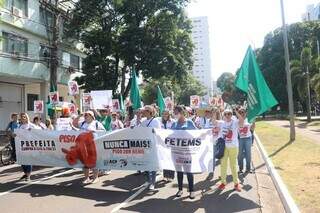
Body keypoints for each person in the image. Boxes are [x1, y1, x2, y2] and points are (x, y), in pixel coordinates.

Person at [171, 105, 197, 199]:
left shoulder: (189, 122)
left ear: (181, 113)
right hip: (176, 152)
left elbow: (196, 134)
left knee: (189, 172)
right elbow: (169, 135)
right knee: (179, 171)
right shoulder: (174, 124)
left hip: (187, 151)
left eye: (176, 112)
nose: (175, 114)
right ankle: (180, 189)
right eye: (174, 112)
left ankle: (191, 190)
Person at [218, 108, 244, 192]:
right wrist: (215, 112)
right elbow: (214, 121)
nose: (227, 115)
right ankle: (223, 183)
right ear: (223, 115)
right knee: (223, 165)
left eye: (229, 114)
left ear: (231, 114)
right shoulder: (222, 123)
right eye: (225, 114)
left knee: (233, 165)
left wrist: (236, 111)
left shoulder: (235, 122)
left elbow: (242, 121)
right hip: (224, 147)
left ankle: (236, 183)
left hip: (233, 147)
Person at [78, 111, 106, 184]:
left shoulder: (96, 123)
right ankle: (86, 178)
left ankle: (95, 177)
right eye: (85, 115)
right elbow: (76, 126)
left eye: (87, 115)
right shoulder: (83, 123)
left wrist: (94, 131)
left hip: (93, 144)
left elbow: (104, 131)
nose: (85, 116)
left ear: (91, 116)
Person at [140, 105, 161, 190]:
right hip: (146, 146)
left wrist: (152, 131)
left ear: (149, 112)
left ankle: (153, 182)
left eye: (144, 111)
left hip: (153, 145)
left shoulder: (155, 121)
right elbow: (139, 130)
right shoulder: (144, 121)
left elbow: (159, 132)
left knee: (153, 165)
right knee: (147, 164)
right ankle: (149, 180)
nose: (143, 112)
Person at [16, 112, 41, 181]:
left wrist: (32, 131)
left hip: (29, 145)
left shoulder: (31, 125)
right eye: (22, 117)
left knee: (28, 160)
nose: (23, 118)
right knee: (22, 161)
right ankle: (26, 173)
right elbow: (17, 134)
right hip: (21, 145)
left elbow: (39, 130)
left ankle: (28, 175)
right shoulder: (20, 126)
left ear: (27, 117)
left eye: (24, 116)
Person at [237, 108, 255, 173]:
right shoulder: (237, 121)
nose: (242, 113)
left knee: (248, 154)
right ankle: (240, 168)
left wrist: (253, 122)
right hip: (240, 139)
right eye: (240, 112)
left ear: (245, 113)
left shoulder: (249, 119)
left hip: (248, 138)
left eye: (243, 112)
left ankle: (248, 168)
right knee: (240, 154)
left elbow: (252, 129)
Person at [159, 110, 175, 182]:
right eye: (163, 114)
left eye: (166, 114)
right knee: (164, 159)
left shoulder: (173, 122)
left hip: (171, 143)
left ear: (169, 114)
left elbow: (175, 131)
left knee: (171, 160)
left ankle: (171, 176)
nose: (165, 115)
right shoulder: (160, 122)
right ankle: (165, 176)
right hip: (163, 144)